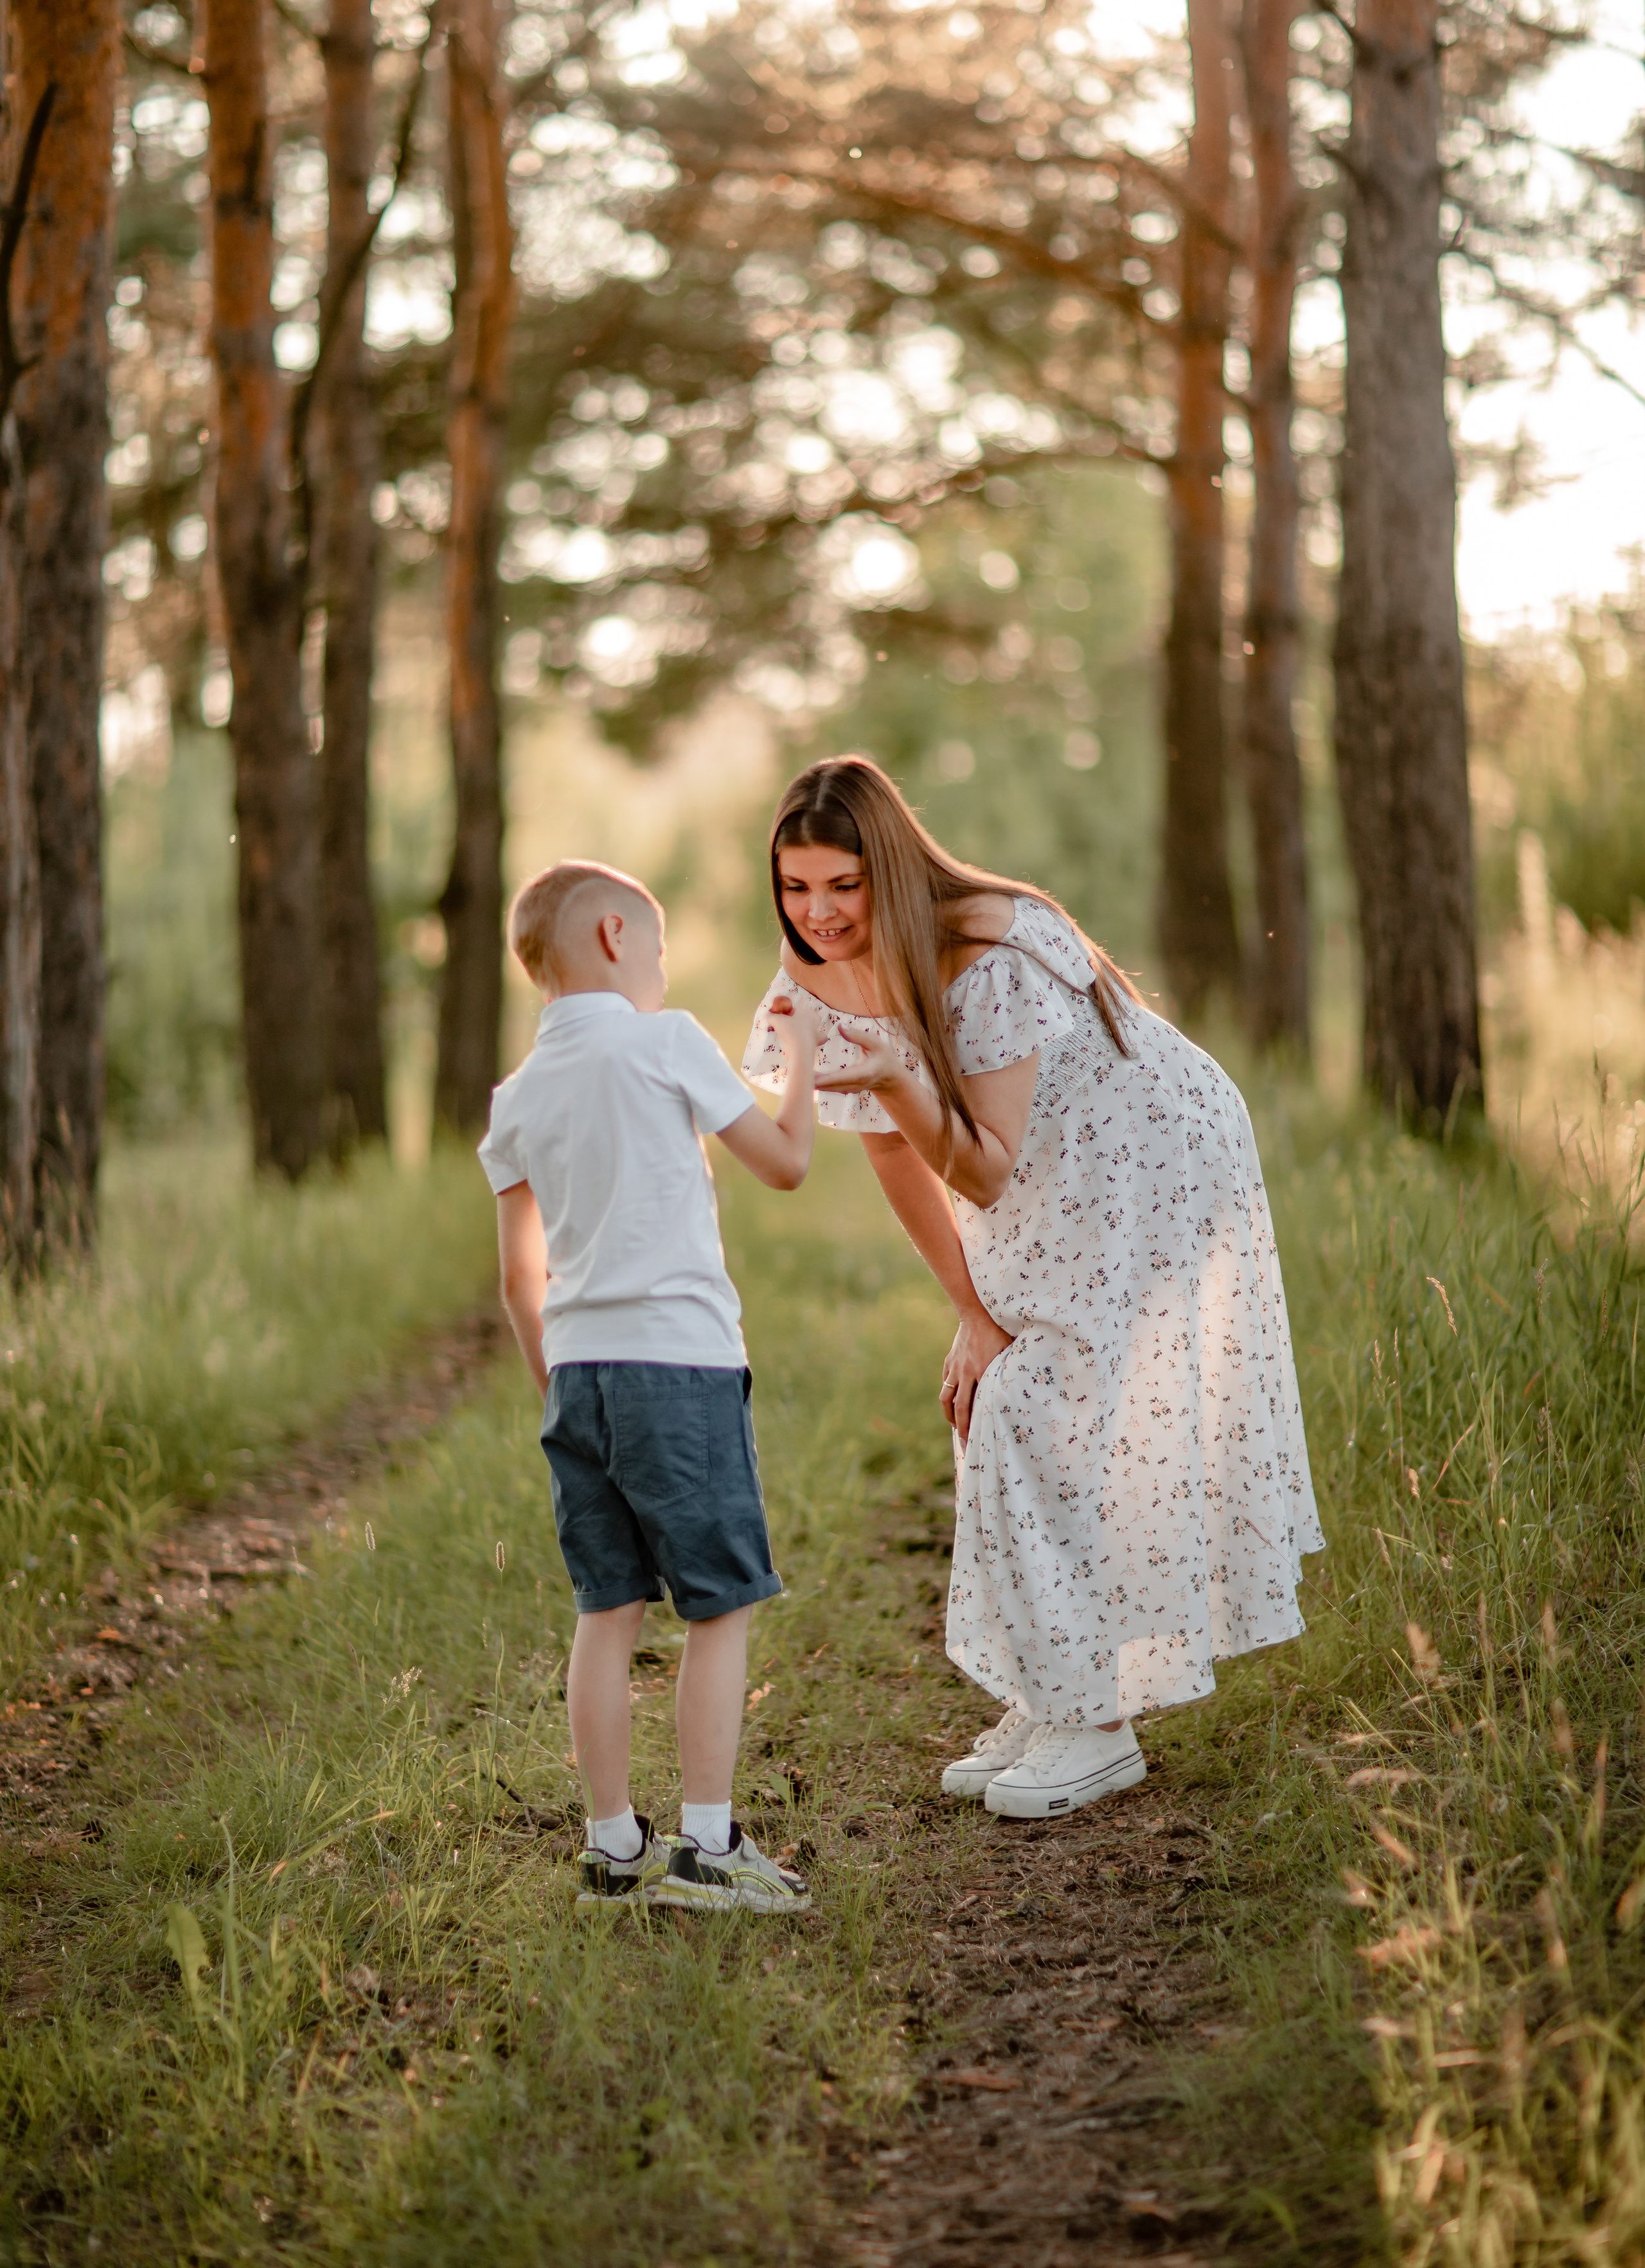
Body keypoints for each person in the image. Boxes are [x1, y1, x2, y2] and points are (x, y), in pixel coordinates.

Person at [744, 757, 1323, 1821]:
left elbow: (982, 1164)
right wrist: (972, 1311)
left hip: (1146, 1151)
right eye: (796, 886)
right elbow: (889, 1152)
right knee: (993, 1391)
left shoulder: (986, 946)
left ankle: (1095, 1727)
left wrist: (895, 1079)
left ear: (893, 870)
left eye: (842, 884)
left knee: (1038, 1400)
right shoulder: (811, 981)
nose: (818, 912)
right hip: (1039, 1169)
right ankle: (1049, 1686)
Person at [481, 858, 818, 1911]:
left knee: (608, 1609)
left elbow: (516, 1280)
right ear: (618, 939)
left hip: (577, 1375)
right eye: (660, 949)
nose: (665, 970)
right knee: (720, 1607)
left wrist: (559, 1382)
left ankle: (612, 1846)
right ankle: (709, 1848)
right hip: (680, 1362)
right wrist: (804, 1059)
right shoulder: (667, 1042)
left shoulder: (517, 1096)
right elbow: (787, 1161)